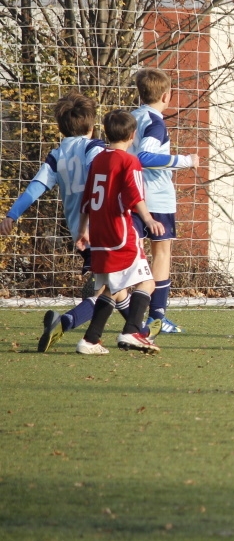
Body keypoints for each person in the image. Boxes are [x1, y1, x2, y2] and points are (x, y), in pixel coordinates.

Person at [0, 92, 109, 352]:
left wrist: (12, 214)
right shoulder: (94, 148)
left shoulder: (57, 155)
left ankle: (133, 330)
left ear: (61, 127)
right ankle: (70, 323)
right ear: (92, 125)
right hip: (101, 229)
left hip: (78, 233)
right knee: (113, 288)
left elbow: (36, 187)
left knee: (115, 286)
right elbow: (102, 174)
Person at [74, 110, 165, 355]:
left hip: (99, 235)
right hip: (120, 233)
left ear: (107, 133)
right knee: (147, 282)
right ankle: (132, 331)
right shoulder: (129, 161)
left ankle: (90, 340)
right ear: (133, 135)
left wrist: (82, 230)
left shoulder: (99, 160)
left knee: (111, 289)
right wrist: (148, 219)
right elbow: (135, 195)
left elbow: (87, 198)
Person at [130, 68, 198, 336]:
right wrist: (184, 160)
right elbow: (144, 157)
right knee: (161, 254)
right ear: (167, 96)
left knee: (131, 254)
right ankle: (156, 317)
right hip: (156, 198)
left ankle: (126, 309)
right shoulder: (155, 123)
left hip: (132, 196)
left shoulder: (131, 117)